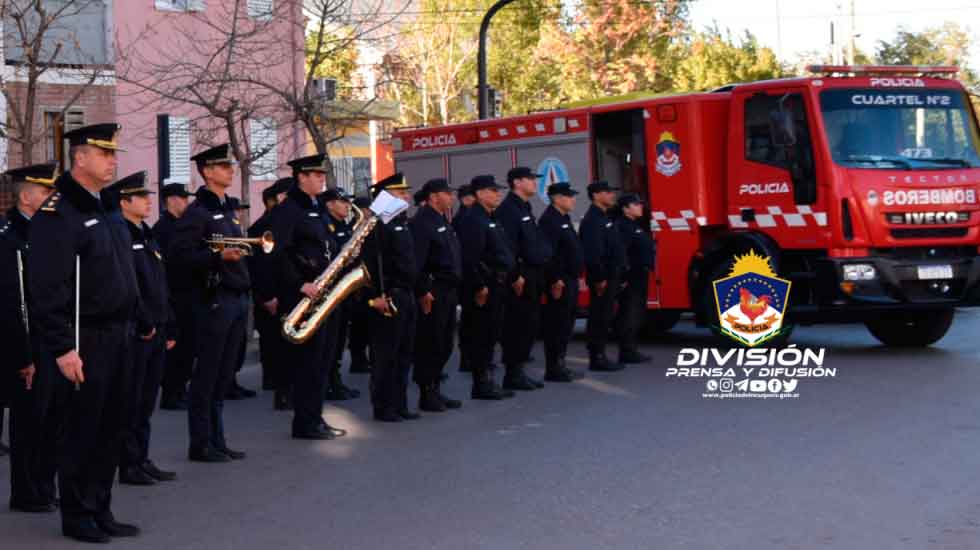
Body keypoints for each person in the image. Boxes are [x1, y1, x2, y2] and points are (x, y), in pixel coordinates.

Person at [29, 123, 143, 542]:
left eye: (114, 153)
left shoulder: (107, 206)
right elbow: (46, 288)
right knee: (82, 429)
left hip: (121, 334)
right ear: (80, 158)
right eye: (104, 153)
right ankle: (77, 515)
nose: (113, 160)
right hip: (85, 336)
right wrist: (63, 347)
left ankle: (101, 506)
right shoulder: (59, 213)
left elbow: (123, 272)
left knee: (112, 426)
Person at [169, 143, 250, 463]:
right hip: (214, 300)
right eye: (223, 166)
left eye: (229, 166)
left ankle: (217, 439)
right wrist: (218, 256)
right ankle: (201, 442)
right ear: (207, 172)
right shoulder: (197, 213)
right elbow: (180, 257)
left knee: (222, 375)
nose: (230, 170)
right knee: (207, 375)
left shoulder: (225, 209)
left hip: (235, 296)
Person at [101, 172, 178, 486]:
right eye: (142, 197)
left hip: (156, 328)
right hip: (137, 331)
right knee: (130, 400)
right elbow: (128, 288)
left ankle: (141, 458)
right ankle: (128, 463)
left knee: (146, 400)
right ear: (124, 202)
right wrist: (145, 321)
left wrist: (168, 325)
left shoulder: (146, 234)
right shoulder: (120, 235)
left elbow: (160, 284)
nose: (149, 201)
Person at [270, 154, 346, 439]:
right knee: (309, 363)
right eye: (315, 175)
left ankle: (315, 417)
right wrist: (299, 283)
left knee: (323, 361)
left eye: (321, 174)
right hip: (305, 296)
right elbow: (277, 253)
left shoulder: (314, 208)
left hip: (324, 293)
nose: (321, 178)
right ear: (301, 177)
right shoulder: (289, 210)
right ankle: (304, 422)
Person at [1, 163, 58, 513]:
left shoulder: (42, 232)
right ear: (26, 196)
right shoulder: (8, 237)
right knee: (28, 424)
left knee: (49, 420)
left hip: (48, 339)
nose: (51, 197)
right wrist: (23, 357)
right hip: (26, 344)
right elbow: (10, 302)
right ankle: (26, 491)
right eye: (44, 191)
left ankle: (43, 485)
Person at [361, 173, 420, 422]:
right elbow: (369, 265)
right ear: (385, 196)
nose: (406, 196)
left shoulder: (399, 221)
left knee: (404, 353)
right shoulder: (375, 225)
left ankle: (400, 403)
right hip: (388, 295)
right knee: (386, 355)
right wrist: (375, 297)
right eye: (400, 192)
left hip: (406, 293)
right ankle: (383, 406)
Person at [455, 175, 516, 400]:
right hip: (485, 286)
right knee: (482, 335)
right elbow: (471, 257)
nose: (498, 194)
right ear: (480, 193)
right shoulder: (473, 219)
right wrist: (480, 285)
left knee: (491, 334)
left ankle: (488, 381)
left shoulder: (490, 217)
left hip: (497, 283)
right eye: (493, 190)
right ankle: (481, 384)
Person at [495, 167, 553, 391]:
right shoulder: (509, 209)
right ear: (517, 182)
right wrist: (515, 275)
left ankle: (518, 370)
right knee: (517, 325)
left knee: (529, 325)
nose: (534, 183)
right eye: (530, 180)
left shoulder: (524, 207)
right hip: (521, 276)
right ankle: (512, 373)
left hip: (533, 273)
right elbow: (508, 246)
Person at [410, 178, 463, 412]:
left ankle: (436, 389)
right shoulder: (422, 223)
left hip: (448, 290)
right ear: (433, 197)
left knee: (444, 343)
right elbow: (417, 262)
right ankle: (426, 392)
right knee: (430, 342)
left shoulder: (441, 220)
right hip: (434, 291)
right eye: (446, 193)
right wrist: (423, 290)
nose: (451, 197)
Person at [250, 177, 293, 410]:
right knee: (274, 342)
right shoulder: (263, 226)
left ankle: (282, 385)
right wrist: (267, 296)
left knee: (283, 343)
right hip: (271, 293)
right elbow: (261, 265)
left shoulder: (286, 220)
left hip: (284, 291)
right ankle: (278, 386)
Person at [538, 182, 586, 382]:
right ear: (557, 198)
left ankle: (561, 364)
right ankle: (553, 368)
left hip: (570, 279)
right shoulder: (550, 221)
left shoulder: (563, 218)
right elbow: (549, 254)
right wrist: (555, 279)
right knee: (556, 325)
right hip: (560, 280)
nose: (573, 199)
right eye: (569, 196)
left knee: (566, 324)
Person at [579, 181, 627, 372]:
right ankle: (596, 357)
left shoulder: (604, 217)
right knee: (599, 316)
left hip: (611, 275)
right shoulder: (592, 220)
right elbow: (593, 253)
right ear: (596, 195)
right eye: (608, 192)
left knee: (606, 316)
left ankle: (601, 354)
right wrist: (599, 278)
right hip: (603, 277)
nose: (612, 196)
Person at [319, 188, 361, 401]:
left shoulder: (345, 225)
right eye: (342, 202)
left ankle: (335, 380)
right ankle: (328, 383)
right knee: (331, 342)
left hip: (343, 289)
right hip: (331, 288)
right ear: (330, 204)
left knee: (339, 338)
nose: (347, 206)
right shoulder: (326, 224)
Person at [154, 183, 194, 411]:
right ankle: (172, 393)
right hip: (173, 294)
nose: (186, 203)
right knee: (175, 348)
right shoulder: (163, 228)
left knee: (186, 347)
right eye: (183, 198)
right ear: (171, 200)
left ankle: (180, 389)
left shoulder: (180, 226)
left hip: (185, 293)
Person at [614, 193, 654, 365]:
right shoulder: (623, 226)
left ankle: (632, 348)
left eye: (640, 204)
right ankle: (627, 351)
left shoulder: (634, 225)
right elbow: (621, 253)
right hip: (631, 277)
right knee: (629, 313)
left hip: (640, 276)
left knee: (636, 313)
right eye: (635, 204)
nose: (640, 207)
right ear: (625, 209)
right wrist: (624, 277)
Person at [225, 197, 257, 401]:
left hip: (241, 291)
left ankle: (232, 381)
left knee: (238, 344)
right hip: (230, 292)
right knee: (229, 347)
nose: (240, 214)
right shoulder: (228, 230)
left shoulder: (237, 229)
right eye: (237, 210)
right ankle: (227, 384)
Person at [346, 196, 373, 374]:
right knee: (358, 324)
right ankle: (357, 358)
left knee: (366, 324)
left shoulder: (370, 227)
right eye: (367, 209)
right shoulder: (352, 229)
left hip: (367, 281)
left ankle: (363, 358)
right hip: (356, 284)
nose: (370, 212)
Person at [453, 183, 475, 373]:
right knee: (470, 320)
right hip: (468, 276)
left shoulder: (467, 216)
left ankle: (469, 357)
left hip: (468, 274)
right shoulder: (464, 218)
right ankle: (467, 358)